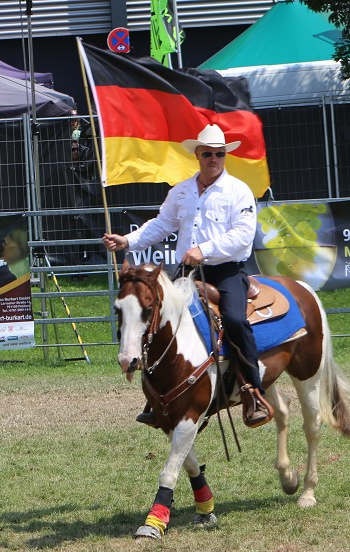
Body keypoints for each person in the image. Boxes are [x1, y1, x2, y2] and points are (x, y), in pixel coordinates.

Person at [102, 124, 274, 428]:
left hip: (226, 271)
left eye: (219, 154)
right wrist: (127, 241)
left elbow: (243, 237)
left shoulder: (238, 191)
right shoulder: (180, 191)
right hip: (186, 271)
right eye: (207, 153)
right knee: (158, 320)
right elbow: (161, 225)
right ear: (197, 154)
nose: (213, 159)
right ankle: (158, 396)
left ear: (225, 156)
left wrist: (203, 250)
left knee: (234, 319)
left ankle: (253, 391)